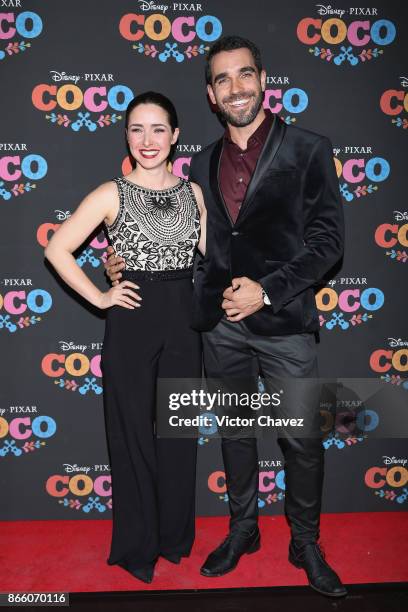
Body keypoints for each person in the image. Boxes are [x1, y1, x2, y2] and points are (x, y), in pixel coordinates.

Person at [105, 37, 347, 597]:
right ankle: (244, 529)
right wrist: (123, 259)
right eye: (222, 80)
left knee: (302, 440)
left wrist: (266, 292)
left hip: (284, 325)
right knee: (237, 435)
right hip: (221, 329)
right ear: (210, 95)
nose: (235, 87)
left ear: (262, 78)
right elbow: (191, 242)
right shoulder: (199, 163)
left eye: (243, 75)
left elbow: (328, 243)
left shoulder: (310, 148)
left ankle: (305, 540)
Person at [44, 91, 207, 584]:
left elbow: (217, 256)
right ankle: (139, 545)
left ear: (175, 136)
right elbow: (57, 248)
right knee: (132, 436)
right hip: (131, 322)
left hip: (184, 321)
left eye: (158, 129)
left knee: (178, 435)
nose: (148, 140)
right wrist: (100, 297)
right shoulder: (110, 193)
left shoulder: (194, 194)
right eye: (137, 129)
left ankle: (175, 538)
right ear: (126, 137)